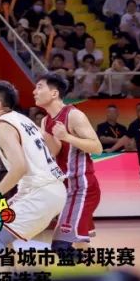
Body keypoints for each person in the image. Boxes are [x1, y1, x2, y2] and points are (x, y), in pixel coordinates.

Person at [0, 80, 66, 281]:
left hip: (41, 191)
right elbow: (54, 147)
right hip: (46, 188)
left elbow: (19, 168)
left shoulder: (3, 126)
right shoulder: (22, 119)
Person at [35, 73, 103, 253]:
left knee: (61, 246)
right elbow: (54, 153)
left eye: (39, 87)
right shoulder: (45, 121)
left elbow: (97, 147)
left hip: (82, 188)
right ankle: (95, 269)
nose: (34, 92)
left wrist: (67, 136)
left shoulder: (74, 115)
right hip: (65, 189)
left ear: (54, 93)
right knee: (80, 243)